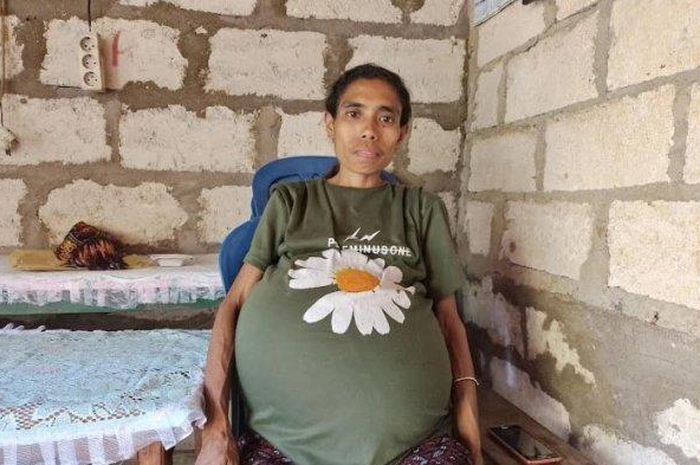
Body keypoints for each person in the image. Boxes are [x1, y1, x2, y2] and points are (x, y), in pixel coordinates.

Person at [195, 63, 483, 465]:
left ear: (402, 132)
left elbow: (450, 322)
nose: (369, 130)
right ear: (330, 124)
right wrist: (216, 428)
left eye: (386, 118)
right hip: (282, 448)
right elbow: (234, 304)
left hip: (416, 448)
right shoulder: (291, 203)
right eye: (354, 113)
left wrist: (470, 431)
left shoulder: (421, 209)